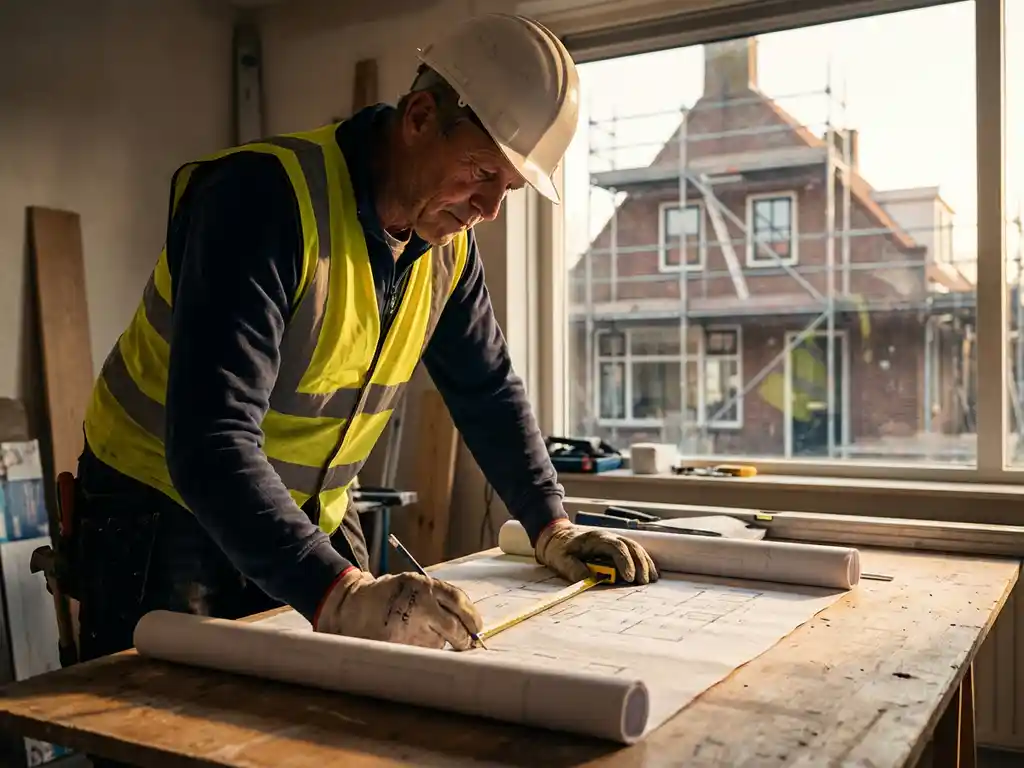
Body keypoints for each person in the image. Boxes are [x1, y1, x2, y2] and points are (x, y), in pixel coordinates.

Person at [73, 12, 659, 683]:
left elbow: (487, 391)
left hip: (306, 516)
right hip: (162, 510)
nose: (488, 208)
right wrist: (339, 591)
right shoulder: (261, 201)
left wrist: (550, 525)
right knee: (161, 735)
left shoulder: (447, 248)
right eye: (480, 172)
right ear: (418, 117)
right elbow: (211, 442)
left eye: (509, 188)